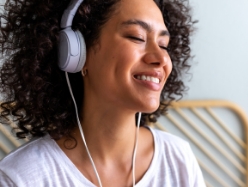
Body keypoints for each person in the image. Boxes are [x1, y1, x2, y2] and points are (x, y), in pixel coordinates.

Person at [0, 0, 205, 186]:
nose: (161, 58)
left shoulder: (178, 160)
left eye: (163, 45)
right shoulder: (22, 177)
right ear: (78, 53)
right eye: (137, 37)